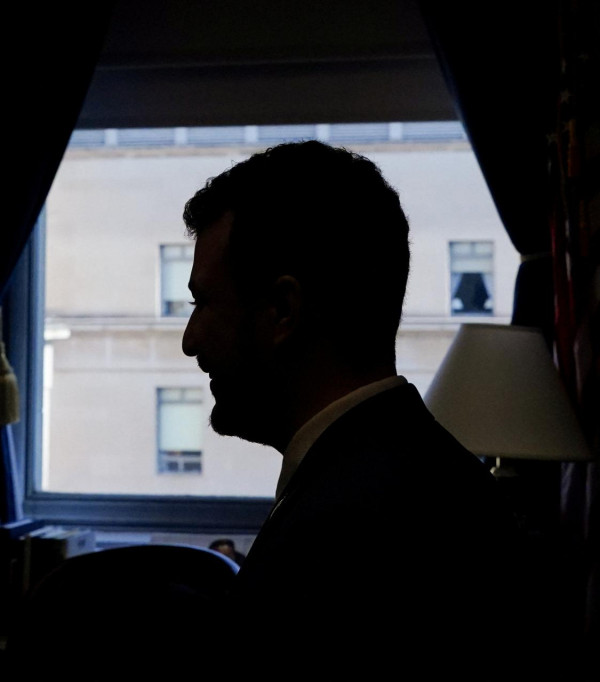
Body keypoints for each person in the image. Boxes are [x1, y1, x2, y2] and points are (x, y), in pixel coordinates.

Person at [181, 141, 532, 679]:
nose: (190, 339)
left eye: (203, 303)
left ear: (282, 310)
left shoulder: (342, 535)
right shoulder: (425, 476)